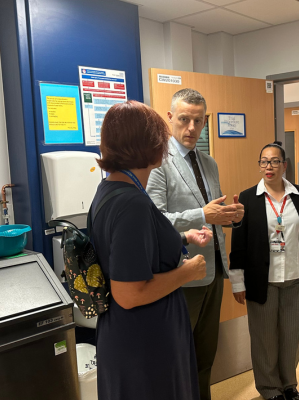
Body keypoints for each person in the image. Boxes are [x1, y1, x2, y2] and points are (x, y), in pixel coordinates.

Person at [92, 100, 212, 400]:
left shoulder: (110, 190)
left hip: (127, 335)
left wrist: (182, 238)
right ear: (151, 146)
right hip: (144, 343)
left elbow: (135, 250)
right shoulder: (132, 203)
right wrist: (187, 272)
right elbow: (129, 293)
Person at [147, 88, 244, 400]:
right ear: (170, 117)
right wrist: (202, 213)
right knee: (177, 358)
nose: (191, 128)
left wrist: (231, 216)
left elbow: (213, 215)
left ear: (205, 122)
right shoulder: (158, 163)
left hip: (213, 273)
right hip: (182, 274)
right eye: (185, 119)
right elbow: (155, 221)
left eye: (198, 121)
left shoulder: (209, 163)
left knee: (205, 356)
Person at [229, 142, 299, 400]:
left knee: (292, 336)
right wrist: (238, 281)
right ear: (259, 165)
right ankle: (270, 389)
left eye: (274, 161)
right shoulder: (248, 197)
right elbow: (239, 241)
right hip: (262, 280)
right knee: (264, 338)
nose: (268, 166)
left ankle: (289, 384)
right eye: (263, 161)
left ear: (284, 165)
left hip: (295, 277)